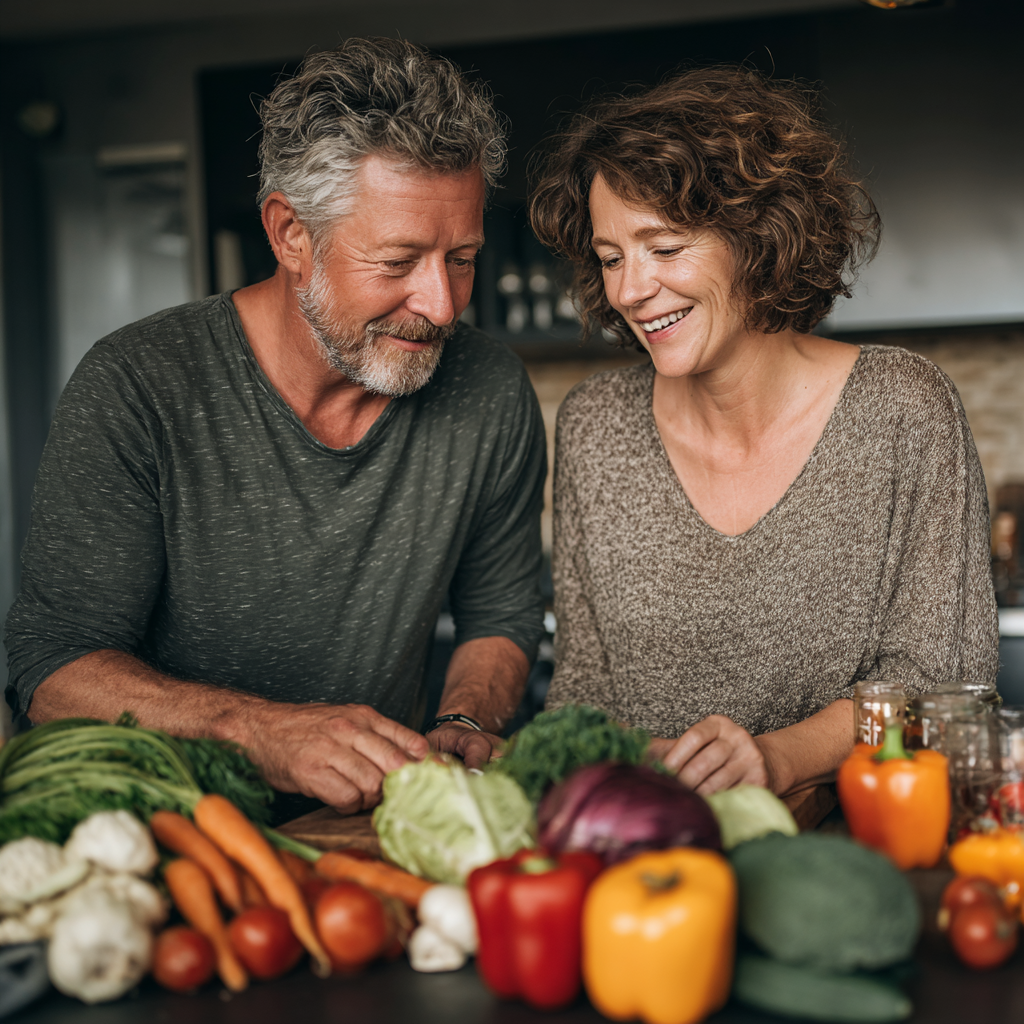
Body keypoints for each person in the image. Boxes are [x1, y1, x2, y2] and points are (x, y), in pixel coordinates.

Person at [5, 38, 546, 816]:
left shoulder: (490, 390)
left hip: (362, 842)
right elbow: (52, 669)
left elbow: (500, 613)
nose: (442, 304)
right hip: (164, 844)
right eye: (398, 262)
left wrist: (465, 718)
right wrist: (260, 732)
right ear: (291, 235)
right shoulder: (137, 385)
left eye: (461, 258)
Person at [529, 67, 998, 799]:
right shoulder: (597, 428)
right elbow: (584, 694)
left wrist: (777, 759)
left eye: (665, 247)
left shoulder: (903, 408)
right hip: (647, 857)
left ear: (755, 236)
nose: (628, 290)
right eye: (611, 257)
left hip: (849, 853)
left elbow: (938, 687)